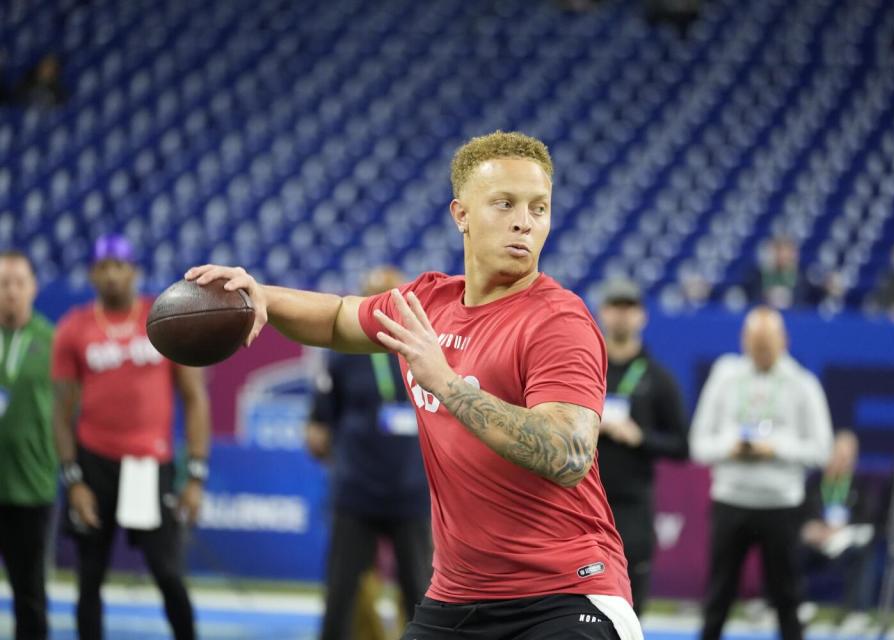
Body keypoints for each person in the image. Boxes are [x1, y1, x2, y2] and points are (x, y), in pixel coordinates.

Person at [187, 131, 642, 639]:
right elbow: (338, 317)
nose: (524, 221)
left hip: (564, 594)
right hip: (459, 596)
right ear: (461, 215)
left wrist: (446, 383)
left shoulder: (559, 320)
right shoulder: (429, 303)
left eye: (539, 208)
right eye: (504, 203)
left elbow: (568, 452)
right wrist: (259, 295)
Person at [52, 234, 212, 640]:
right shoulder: (74, 328)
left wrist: (195, 475)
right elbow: (60, 412)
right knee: (89, 579)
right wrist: (73, 482)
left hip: (150, 466)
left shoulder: (165, 319)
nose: (111, 276)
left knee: (169, 574)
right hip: (95, 461)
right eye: (103, 268)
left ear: (134, 272)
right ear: (91, 275)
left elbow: (195, 399)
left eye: (119, 267)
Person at [690, 307, 833, 640]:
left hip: (781, 505)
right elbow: (698, 444)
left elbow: (821, 450)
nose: (762, 354)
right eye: (756, 346)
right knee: (717, 597)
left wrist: (776, 449)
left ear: (784, 341)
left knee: (788, 598)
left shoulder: (802, 383)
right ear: (744, 341)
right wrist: (730, 447)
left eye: (768, 346)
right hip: (730, 499)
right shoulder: (724, 376)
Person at [305, 266, 432, 640]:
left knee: (421, 598)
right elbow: (318, 428)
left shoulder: (426, 348)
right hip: (356, 493)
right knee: (340, 596)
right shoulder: (343, 354)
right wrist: (341, 459)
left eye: (393, 297)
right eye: (377, 297)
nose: (385, 308)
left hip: (411, 495)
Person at [595, 278, 688, 616]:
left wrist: (641, 437)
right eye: (615, 307)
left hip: (632, 507)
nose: (621, 315)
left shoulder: (657, 377)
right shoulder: (584, 368)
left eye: (629, 307)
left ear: (642, 317)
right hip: (581, 503)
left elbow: (682, 445)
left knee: (630, 607)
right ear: (603, 313)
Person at [0, 250, 56, 639]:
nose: (11, 291)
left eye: (19, 282)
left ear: (33, 287)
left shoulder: (53, 340)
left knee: (30, 595)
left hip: (31, 485)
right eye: (3, 283)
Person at [799, 430, 877, 631]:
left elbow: (868, 519)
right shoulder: (815, 481)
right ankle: (794, 604)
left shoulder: (860, 484)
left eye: (848, 456)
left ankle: (856, 611)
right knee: (789, 544)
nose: (843, 460)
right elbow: (801, 513)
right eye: (840, 454)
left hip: (845, 543)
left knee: (862, 552)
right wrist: (814, 527)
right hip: (815, 542)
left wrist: (843, 530)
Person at [744, 236, 812, 310]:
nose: (784, 256)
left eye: (788, 252)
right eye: (780, 251)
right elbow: (752, 300)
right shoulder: (758, 275)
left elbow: (805, 303)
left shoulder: (802, 277)